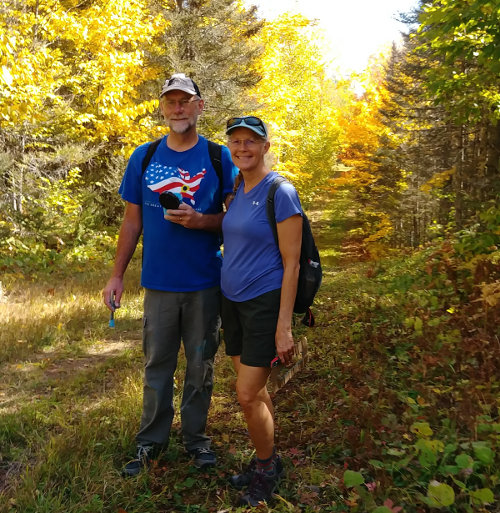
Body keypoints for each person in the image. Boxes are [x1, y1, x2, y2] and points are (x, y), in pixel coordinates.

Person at [102, 73, 238, 477]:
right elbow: (132, 223)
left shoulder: (219, 157)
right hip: (158, 285)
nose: (177, 108)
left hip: (205, 285)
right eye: (170, 101)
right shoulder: (143, 157)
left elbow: (236, 219)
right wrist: (116, 275)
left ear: (200, 105)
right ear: (162, 107)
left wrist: (202, 221)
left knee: (201, 367)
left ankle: (197, 442)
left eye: (185, 101)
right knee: (157, 366)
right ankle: (150, 443)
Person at [221, 116, 303, 506]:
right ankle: (268, 459)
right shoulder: (237, 187)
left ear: (266, 146)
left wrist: (283, 326)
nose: (242, 148)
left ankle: (267, 469)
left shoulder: (281, 191)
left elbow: (293, 263)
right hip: (232, 302)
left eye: (251, 141)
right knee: (255, 391)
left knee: (247, 393)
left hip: (263, 303)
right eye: (235, 141)